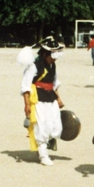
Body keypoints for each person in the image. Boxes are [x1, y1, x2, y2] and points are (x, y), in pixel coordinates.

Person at [20, 38, 65, 166]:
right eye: (52, 55)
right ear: (45, 54)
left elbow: (54, 84)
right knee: (42, 127)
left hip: (51, 97)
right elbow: (25, 86)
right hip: (38, 98)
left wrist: (59, 98)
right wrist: (27, 105)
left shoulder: (52, 65)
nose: (54, 59)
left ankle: (43, 147)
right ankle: (43, 155)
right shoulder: (34, 66)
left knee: (56, 127)